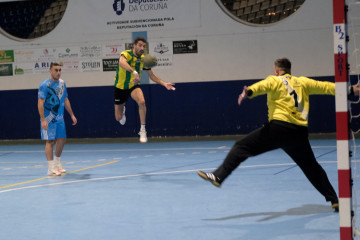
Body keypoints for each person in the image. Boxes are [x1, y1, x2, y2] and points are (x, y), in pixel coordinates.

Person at [198, 58, 360, 212]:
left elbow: (261, 86)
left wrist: (249, 92)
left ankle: (218, 177)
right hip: (298, 133)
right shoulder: (303, 82)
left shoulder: (274, 80)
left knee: (241, 146)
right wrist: (351, 90)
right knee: (312, 168)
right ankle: (335, 200)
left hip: (279, 129)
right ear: (289, 70)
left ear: (276, 71)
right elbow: (326, 87)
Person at [114, 37, 175, 143]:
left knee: (142, 102)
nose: (142, 48)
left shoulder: (143, 59)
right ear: (134, 45)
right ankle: (122, 109)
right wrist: (134, 72)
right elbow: (121, 63)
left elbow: (152, 75)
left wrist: (164, 83)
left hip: (133, 86)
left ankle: (142, 130)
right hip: (120, 87)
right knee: (118, 118)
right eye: (140, 45)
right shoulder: (126, 54)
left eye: (144, 46)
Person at [38, 62, 77, 176]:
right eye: (56, 70)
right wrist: (43, 119)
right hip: (49, 119)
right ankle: (50, 168)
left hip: (60, 118)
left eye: (60, 70)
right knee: (50, 141)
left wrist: (72, 115)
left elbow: (65, 99)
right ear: (50, 71)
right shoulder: (45, 85)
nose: (58, 72)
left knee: (62, 139)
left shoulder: (62, 83)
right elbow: (40, 102)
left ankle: (57, 164)